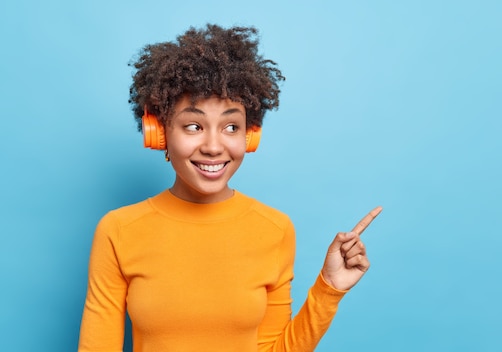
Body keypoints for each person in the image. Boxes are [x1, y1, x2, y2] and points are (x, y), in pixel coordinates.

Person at [78, 23, 382, 352]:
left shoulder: (275, 229)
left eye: (231, 126)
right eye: (193, 126)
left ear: (249, 136)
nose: (213, 146)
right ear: (160, 133)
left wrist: (329, 288)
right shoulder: (119, 230)